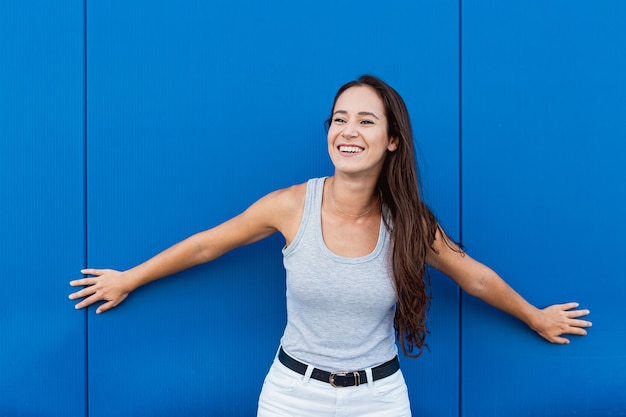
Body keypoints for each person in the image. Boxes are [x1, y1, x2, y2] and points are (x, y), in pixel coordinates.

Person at [69, 75, 592, 416]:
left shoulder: (409, 223)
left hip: (379, 398)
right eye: (340, 118)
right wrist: (129, 277)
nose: (348, 130)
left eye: (366, 120)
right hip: (292, 396)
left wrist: (536, 316)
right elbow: (209, 245)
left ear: (392, 140)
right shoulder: (290, 205)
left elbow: (473, 276)